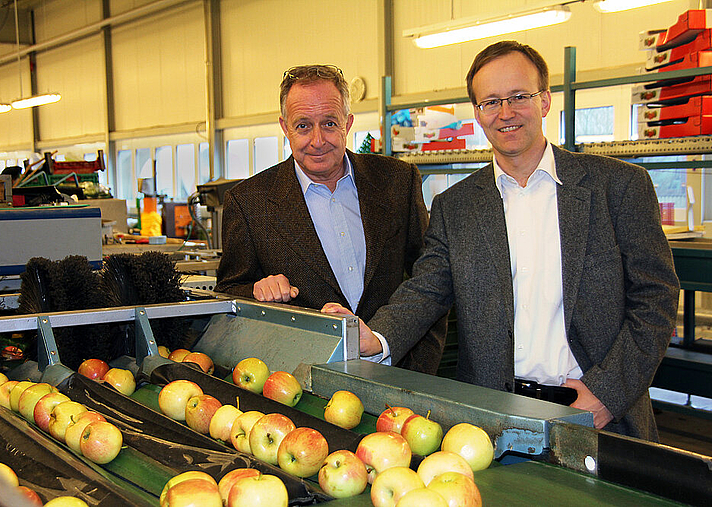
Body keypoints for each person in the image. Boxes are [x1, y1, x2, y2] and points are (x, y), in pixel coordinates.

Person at [323, 41, 679, 441]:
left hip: (599, 414)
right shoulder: (455, 206)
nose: (505, 113)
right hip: (491, 420)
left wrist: (607, 394)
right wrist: (377, 336)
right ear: (477, 113)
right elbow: (425, 291)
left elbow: (656, 297)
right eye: (490, 101)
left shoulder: (618, 187)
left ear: (544, 100)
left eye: (519, 97)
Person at [215, 64, 447, 374]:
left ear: (348, 123)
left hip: (397, 372)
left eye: (329, 123)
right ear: (284, 127)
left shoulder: (397, 181)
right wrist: (258, 289)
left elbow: (429, 279)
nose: (317, 140)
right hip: (300, 382)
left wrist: (418, 368)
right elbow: (230, 291)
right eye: (302, 126)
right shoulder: (249, 202)